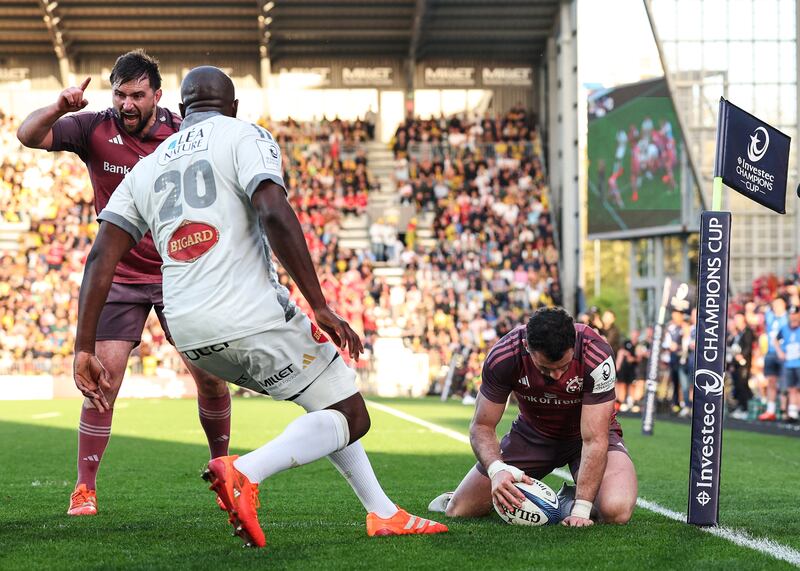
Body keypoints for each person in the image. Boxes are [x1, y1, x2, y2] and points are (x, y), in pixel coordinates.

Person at [71, 66, 447, 548]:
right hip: (251, 315)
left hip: (186, 330)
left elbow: (101, 255)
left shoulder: (148, 164)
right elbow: (272, 210)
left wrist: (85, 346)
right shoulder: (245, 135)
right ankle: (245, 471)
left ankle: (383, 512)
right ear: (232, 108)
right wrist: (320, 304)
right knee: (354, 416)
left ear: (182, 112)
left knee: (328, 396)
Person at [16, 50, 233, 517]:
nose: (127, 103)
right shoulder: (92, 126)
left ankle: (224, 470)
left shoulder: (183, 132)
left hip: (179, 271)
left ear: (158, 95)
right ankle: (85, 488)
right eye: (120, 93)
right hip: (120, 274)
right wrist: (59, 106)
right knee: (103, 381)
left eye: (137, 94)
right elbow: (27, 135)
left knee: (212, 380)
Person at [428, 307, 637, 526]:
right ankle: (463, 493)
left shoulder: (596, 354)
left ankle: (571, 500)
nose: (557, 376)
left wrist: (582, 510)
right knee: (460, 509)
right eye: (546, 369)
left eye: (564, 367)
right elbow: (481, 426)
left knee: (616, 510)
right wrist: (497, 470)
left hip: (587, 435)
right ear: (527, 347)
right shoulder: (505, 355)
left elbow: (594, 439)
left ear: (573, 344)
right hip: (533, 435)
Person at [759, 296, 788, 421]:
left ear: (784, 306)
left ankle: (785, 410)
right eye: (774, 305)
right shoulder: (770, 316)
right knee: (771, 381)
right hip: (770, 352)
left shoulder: (788, 317)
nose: (775, 308)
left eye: (778, 305)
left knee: (785, 383)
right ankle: (770, 410)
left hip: (784, 353)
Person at [774, 305, 800, 422]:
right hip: (789, 363)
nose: (793, 316)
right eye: (791, 314)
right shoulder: (785, 328)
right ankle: (793, 413)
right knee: (791, 388)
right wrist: (780, 351)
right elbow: (775, 339)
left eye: (795, 314)